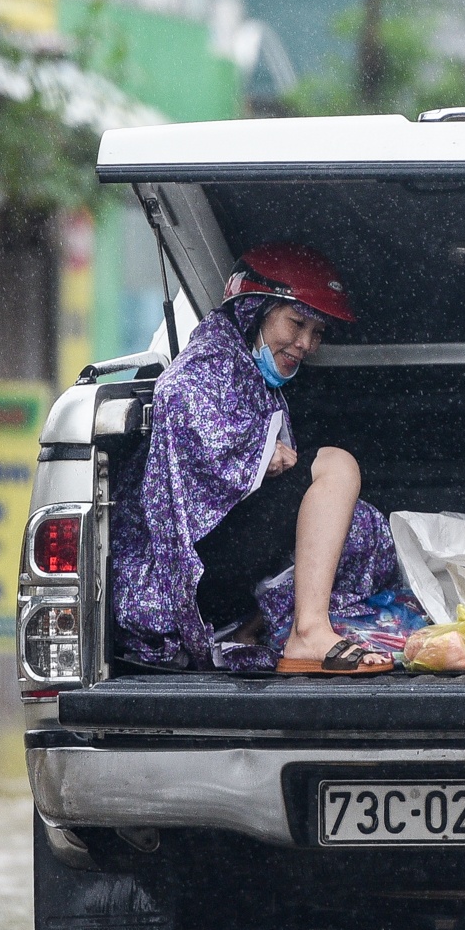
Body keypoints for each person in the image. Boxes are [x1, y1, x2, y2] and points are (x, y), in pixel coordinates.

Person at [110, 242, 400, 674]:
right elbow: (175, 396)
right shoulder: (211, 361)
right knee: (337, 464)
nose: (306, 343)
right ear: (254, 312)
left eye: (317, 333)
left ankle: (249, 629)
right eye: (297, 322)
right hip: (187, 578)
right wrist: (255, 456)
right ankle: (308, 632)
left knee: (357, 525)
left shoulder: (249, 372)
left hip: (221, 576)